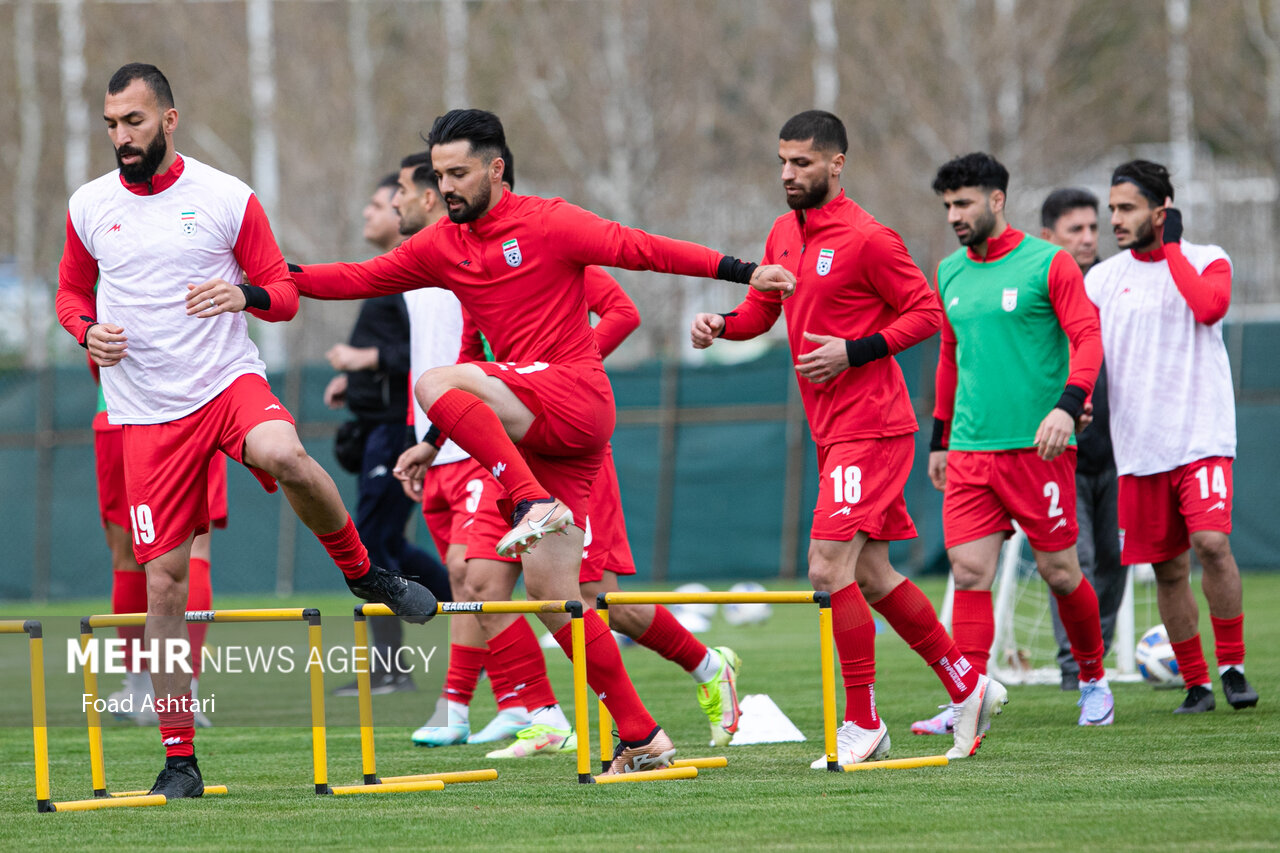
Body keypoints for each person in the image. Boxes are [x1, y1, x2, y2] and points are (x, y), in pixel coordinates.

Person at [291, 108, 794, 775]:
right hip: (532, 428)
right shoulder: (446, 245)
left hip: (575, 404)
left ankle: (543, 645)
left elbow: (642, 248)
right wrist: (267, 281)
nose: (446, 188)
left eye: (458, 173)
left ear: (497, 169)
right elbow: (351, 278)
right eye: (438, 175)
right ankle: (643, 736)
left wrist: (744, 271)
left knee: (439, 385)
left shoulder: (550, 221)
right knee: (560, 596)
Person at [55, 63, 437, 799]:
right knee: (162, 584)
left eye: (133, 121)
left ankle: (365, 574)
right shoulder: (88, 204)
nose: (120, 137)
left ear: (169, 120)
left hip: (226, 384)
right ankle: (179, 757)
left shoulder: (227, 197)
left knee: (286, 453)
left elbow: (286, 294)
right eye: (111, 124)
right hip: (144, 413)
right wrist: (85, 330)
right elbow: (72, 292)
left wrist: (244, 293)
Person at [402, 147, 742, 757]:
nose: (409, 199)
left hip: (564, 430)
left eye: (428, 184)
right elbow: (465, 355)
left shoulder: (544, 242)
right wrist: (431, 441)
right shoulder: (452, 264)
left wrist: (562, 378)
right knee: (478, 578)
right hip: (505, 447)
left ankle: (705, 667)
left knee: (593, 599)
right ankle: (543, 712)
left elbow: (623, 307)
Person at [691, 111, 1003, 765]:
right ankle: (966, 684)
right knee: (872, 571)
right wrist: (723, 323)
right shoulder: (781, 232)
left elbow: (926, 313)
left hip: (874, 426)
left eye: (801, 162)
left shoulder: (868, 238)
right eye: (782, 161)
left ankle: (863, 720)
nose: (787, 174)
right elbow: (763, 312)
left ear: (836, 164)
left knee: (826, 569)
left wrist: (855, 351)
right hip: (834, 432)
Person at [921, 152, 1113, 731]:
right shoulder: (950, 270)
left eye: (964, 203)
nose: (954, 215)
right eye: (948, 205)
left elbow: (1087, 337)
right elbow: (950, 359)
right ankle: (968, 701)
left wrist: (1067, 407)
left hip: (1039, 450)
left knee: (1061, 572)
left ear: (996, 201)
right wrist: (939, 438)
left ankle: (1094, 679)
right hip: (971, 451)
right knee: (969, 572)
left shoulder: (1049, 263)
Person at [1086, 159, 1258, 713]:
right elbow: (1082, 349)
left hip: (1201, 436)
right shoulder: (1103, 279)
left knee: (1211, 543)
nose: (1114, 219)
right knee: (1167, 568)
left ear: (1161, 212)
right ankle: (1196, 683)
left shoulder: (1208, 259)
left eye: (1127, 208)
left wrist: (1175, 248)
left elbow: (1209, 308)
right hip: (1138, 449)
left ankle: (1232, 666)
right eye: (1111, 208)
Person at [325, 168, 451, 697]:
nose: (380, 210)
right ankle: (482, 613)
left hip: (405, 429)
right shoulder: (393, 271)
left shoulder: (420, 270)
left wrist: (366, 357)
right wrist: (350, 377)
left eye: (389, 200)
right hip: (380, 426)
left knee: (371, 547)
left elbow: (427, 352)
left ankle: (390, 669)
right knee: (388, 544)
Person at [94, 354, 222, 727]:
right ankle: (188, 693)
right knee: (195, 547)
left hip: (124, 411)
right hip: (202, 405)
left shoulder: (103, 291)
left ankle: (139, 691)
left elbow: (94, 349)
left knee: (129, 553)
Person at [1039, 188, 1128, 691]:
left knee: (1115, 565)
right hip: (1061, 452)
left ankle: (1098, 656)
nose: (1090, 238)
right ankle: (1076, 669)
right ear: (1048, 236)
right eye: (1077, 229)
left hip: (1120, 451)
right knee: (1076, 565)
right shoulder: (1041, 288)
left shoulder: (1115, 284)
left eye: (1094, 227)